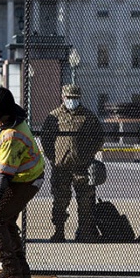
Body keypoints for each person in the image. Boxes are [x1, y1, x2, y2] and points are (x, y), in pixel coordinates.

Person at [0, 87, 45, 278]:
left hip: (26, 179)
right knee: (7, 220)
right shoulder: (6, 120)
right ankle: (21, 270)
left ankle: (11, 270)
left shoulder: (12, 135)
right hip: (22, 177)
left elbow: (4, 176)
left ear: (2, 111)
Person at [40, 84, 104, 243]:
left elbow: (99, 138)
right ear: (63, 97)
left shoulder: (88, 117)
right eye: (69, 98)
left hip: (81, 167)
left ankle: (85, 232)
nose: (72, 101)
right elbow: (45, 139)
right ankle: (59, 231)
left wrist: (89, 154)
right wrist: (53, 158)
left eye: (75, 98)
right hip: (61, 167)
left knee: (85, 202)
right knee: (60, 201)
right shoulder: (54, 116)